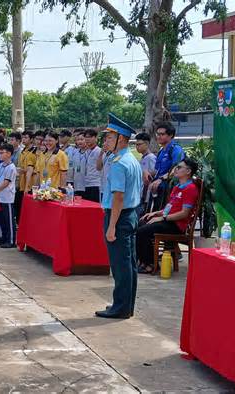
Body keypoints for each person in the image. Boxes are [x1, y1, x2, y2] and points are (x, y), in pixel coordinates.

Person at [95, 113, 143, 320]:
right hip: (131, 215)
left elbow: (118, 197)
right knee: (129, 263)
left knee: (120, 265)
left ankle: (120, 307)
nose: (105, 141)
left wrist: (112, 226)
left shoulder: (119, 163)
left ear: (120, 139)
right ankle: (126, 305)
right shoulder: (130, 159)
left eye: (109, 137)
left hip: (120, 216)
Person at [136, 158, 199, 273]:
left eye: (179, 167)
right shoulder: (177, 187)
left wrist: (163, 218)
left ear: (188, 171)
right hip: (168, 220)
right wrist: (156, 213)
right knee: (141, 222)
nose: (175, 169)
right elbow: (169, 207)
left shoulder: (190, 189)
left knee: (143, 231)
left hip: (176, 225)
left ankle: (150, 264)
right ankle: (142, 260)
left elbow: (184, 213)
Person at [148, 121, 184, 212]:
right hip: (157, 188)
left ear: (171, 135)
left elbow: (177, 169)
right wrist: (145, 173)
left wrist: (161, 179)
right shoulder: (161, 151)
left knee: (162, 213)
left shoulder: (176, 149)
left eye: (162, 134)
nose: (158, 136)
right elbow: (157, 170)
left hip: (168, 190)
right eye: (158, 134)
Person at [0, 143, 17, 249]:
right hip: (0, 196)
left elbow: (6, 183)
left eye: (2, 153)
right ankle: (4, 237)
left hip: (8, 197)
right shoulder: (1, 165)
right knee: (2, 219)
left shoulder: (11, 167)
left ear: (9, 154)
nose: (0, 155)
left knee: (9, 220)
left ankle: (11, 240)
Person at [135, 132, 157, 216]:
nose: (137, 147)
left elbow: (154, 173)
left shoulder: (151, 157)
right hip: (141, 193)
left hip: (146, 194)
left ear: (147, 144)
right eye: (136, 144)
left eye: (139, 144)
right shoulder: (144, 157)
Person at [82, 129, 103, 202]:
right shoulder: (86, 151)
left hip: (96, 184)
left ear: (96, 138)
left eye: (90, 137)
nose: (87, 139)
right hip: (86, 184)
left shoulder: (99, 151)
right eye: (86, 137)